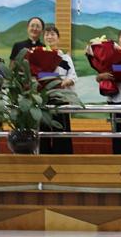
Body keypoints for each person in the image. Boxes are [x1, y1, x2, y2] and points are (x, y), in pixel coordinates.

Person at [39, 25, 77, 154]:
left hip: (61, 99)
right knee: (43, 130)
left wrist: (64, 81)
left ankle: (63, 159)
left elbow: (72, 76)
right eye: (47, 34)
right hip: (43, 99)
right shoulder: (38, 56)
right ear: (43, 38)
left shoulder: (64, 58)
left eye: (52, 34)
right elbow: (35, 75)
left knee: (61, 131)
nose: (49, 37)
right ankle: (43, 157)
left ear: (58, 38)